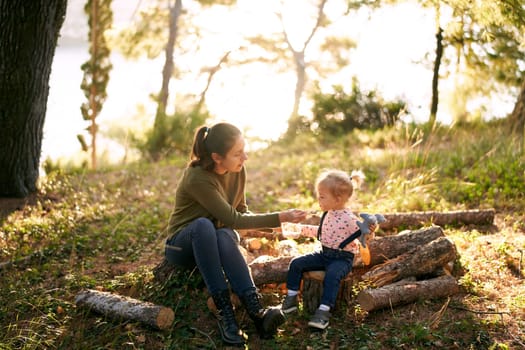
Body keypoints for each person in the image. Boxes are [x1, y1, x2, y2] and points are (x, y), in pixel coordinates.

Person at [164, 122, 307, 346]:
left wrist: (275, 227)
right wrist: (281, 216)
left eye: (244, 150)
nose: (245, 157)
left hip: (216, 241)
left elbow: (240, 212)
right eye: (238, 153)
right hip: (182, 246)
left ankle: (257, 311)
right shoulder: (197, 178)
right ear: (217, 157)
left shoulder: (237, 170)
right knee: (204, 226)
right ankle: (225, 314)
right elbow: (234, 219)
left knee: (222, 234)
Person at [280, 169, 376, 330]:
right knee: (296, 263)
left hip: (342, 258)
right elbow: (321, 232)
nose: (318, 199)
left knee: (332, 276)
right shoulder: (328, 214)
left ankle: (324, 311)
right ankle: (291, 299)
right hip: (324, 255)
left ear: (338, 199)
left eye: (322, 196)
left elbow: (363, 237)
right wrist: (300, 229)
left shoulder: (350, 219)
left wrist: (370, 231)